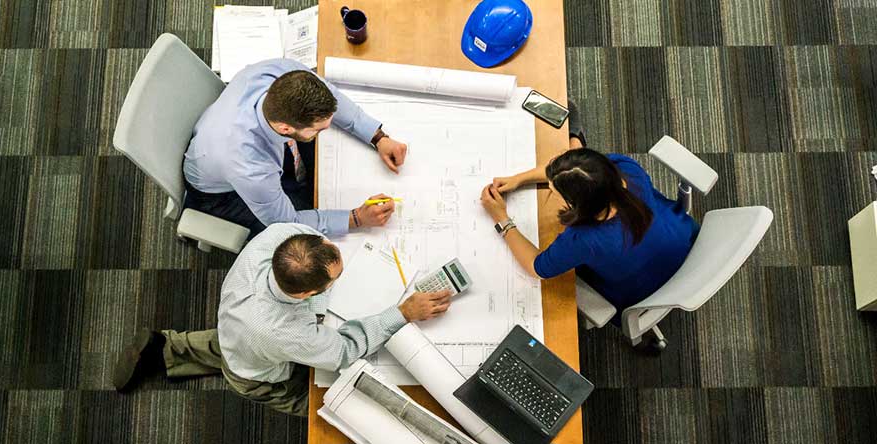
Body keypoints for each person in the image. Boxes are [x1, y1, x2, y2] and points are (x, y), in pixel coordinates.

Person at [112, 223, 453, 416]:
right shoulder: (286, 332)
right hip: (257, 372)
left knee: (230, 343)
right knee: (324, 404)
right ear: (307, 294)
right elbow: (344, 351)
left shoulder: (277, 238)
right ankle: (331, 413)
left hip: (236, 326)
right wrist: (403, 312)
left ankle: (164, 347)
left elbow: (312, 239)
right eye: (335, 279)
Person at [478, 106, 698, 350]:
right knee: (572, 124)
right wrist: (520, 178)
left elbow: (536, 267)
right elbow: (575, 170)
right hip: (684, 242)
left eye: (554, 191)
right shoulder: (625, 169)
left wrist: (502, 219)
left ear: (576, 204)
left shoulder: (584, 239)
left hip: (641, 291)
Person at [183, 58, 409, 238]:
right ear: (285, 128)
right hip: (221, 194)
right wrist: (357, 218)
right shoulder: (250, 167)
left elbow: (332, 98)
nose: (326, 130)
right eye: (319, 129)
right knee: (302, 239)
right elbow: (287, 222)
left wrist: (377, 137)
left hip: (223, 139)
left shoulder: (282, 73)